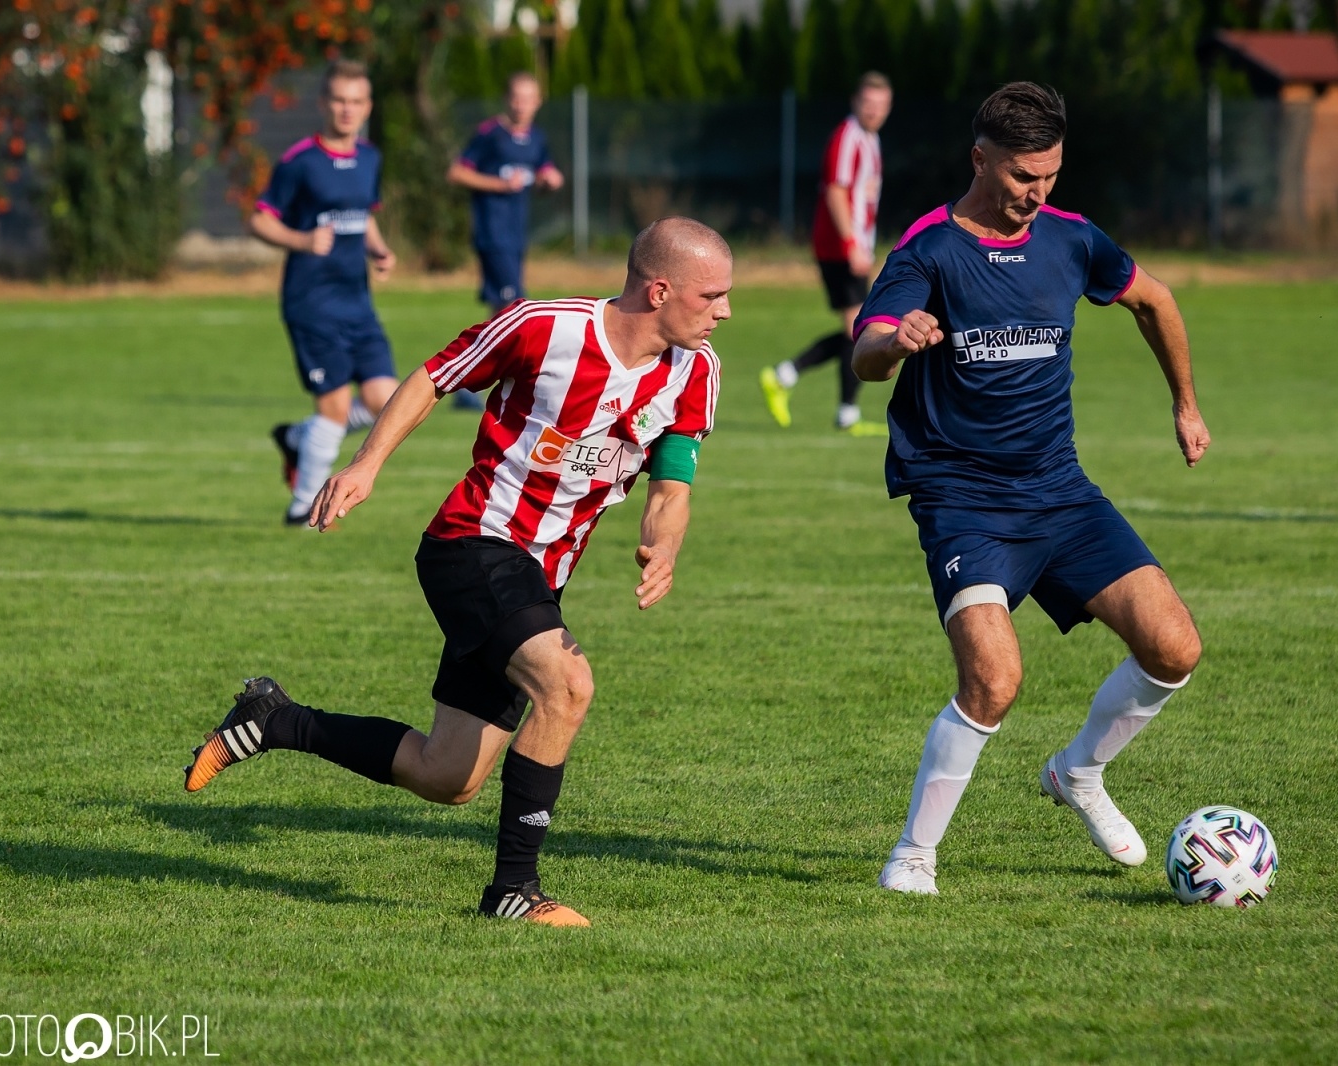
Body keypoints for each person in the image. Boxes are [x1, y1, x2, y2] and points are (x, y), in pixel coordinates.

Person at [183, 217, 729, 927]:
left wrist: (664, 546)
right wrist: (366, 465)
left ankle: (276, 720)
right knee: (567, 686)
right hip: (474, 543)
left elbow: (672, 486)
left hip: (540, 575)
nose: (724, 311)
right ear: (659, 291)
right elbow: (434, 376)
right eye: (711, 295)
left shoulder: (696, 371)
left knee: (447, 775)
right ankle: (514, 891)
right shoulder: (545, 328)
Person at [851, 83, 1212, 895]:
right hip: (962, 499)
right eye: (1022, 176)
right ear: (980, 160)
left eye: (1049, 175)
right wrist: (897, 341)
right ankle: (912, 857)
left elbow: (1154, 301)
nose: (1037, 192)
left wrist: (1185, 405)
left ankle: (1078, 772)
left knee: (1174, 647)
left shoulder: (1072, 239)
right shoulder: (928, 250)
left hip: (1060, 491)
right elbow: (865, 351)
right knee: (994, 680)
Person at [251, 59, 399, 526]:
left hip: (357, 303)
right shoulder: (300, 161)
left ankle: (297, 438)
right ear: (323, 103)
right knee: (334, 410)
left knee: (388, 402)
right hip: (311, 303)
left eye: (356, 101)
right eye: (339, 100)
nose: (347, 109)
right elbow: (259, 218)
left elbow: (363, 214)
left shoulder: (370, 157)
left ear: (367, 106)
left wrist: (379, 250)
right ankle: (302, 509)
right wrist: (301, 240)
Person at [760, 72, 891, 434]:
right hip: (839, 249)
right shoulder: (848, 137)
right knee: (859, 328)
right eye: (868, 103)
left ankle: (788, 377)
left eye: (881, 105)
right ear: (855, 102)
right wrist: (851, 244)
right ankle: (837, 407)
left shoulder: (871, 139)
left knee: (858, 328)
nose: (874, 111)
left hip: (854, 248)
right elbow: (835, 192)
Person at [446, 71, 565, 410]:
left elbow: (542, 172)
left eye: (528, 99)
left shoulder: (537, 139)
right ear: (506, 99)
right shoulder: (490, 134)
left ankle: (466, 383)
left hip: (516, 233)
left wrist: (550, 180)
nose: (521, 105)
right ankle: (512, 380)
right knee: (516, 306)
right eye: (516, 98)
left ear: (538, 102)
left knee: (500, 309)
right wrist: (500, 185)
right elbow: (457, 172)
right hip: (492, 231)